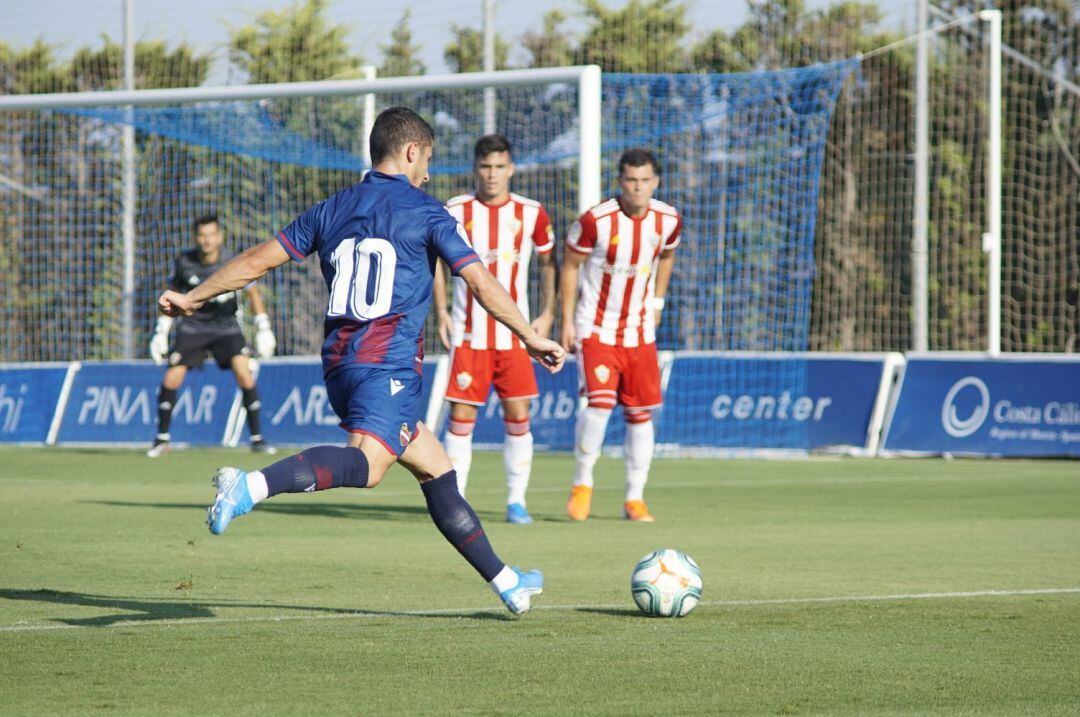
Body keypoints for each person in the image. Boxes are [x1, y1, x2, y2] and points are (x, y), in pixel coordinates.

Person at [156, 107, 566, 615]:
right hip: (386, 365)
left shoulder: (332, 207)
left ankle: (508, 582)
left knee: (435, 467)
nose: (429, 173)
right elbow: (480, 283)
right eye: (428, 160)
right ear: (412, 152)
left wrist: (195, 297)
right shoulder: (428, 211)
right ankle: (252, 485)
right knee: (370, 468)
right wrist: (530, 336)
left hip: (340, 366)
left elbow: (257, 261)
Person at [434, 134, 557, 524]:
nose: (492, 175)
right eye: (485, 167)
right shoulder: (454, 209)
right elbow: (436, 264)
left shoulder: (532, 213)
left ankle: (516, 501)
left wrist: (548, 313)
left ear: (511, 169)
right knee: (461, 419)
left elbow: (549, 264)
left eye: (499, 167)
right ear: (475, 168)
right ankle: (458, 501)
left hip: (514, 337)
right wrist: (441, 312)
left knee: (518, 417)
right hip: (470, 335)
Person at [560, 148, 681, 523]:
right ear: (620, 181)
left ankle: (635, 497)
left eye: (645, 181)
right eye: (631, 180)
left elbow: (668, 257)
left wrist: (658, 302)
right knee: (598, 406)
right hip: (596, 328)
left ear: (655, 182)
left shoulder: (668, 220)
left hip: (640, 331)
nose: (638, 188)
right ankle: (582, 484)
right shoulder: (596, 221)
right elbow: (570, 266)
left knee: (640, 413)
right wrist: (566, 321)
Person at [147, 212, 277, 457]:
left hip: (226, 327)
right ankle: (161, 439)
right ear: (195, 238)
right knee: (172, 377)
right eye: (201, 235)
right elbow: (170, 297)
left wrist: (263, 325)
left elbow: (252, 293)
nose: (206, 241)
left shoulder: (232, 260)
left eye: (211, 235)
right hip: (192, 326)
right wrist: (161, 331)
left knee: (244, 374)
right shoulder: (184, 262)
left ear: (219, 237)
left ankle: (258, 438)